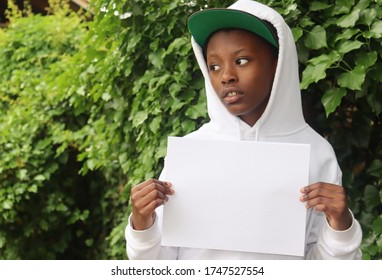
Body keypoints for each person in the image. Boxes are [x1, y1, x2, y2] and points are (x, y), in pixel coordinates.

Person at [125, 0, 362, 259]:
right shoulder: (192, 152)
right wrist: (142, 226)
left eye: (241, 60)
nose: (226, 76)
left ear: (277, 63)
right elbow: (160, 265)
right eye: (214, 66)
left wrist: (340, 225)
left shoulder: (315, 152)